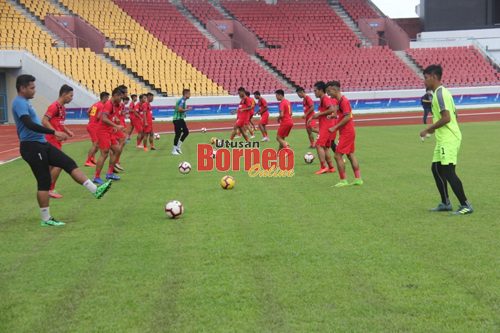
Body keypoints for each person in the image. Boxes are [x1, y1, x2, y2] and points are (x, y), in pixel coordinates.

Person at [12, 75, 112, 226]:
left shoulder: (25, 102)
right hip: (31, 146)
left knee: (68, 162)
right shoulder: (19, 102)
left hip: (41, 143)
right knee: (44, 180)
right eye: (32, 88)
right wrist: (54, 132)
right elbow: (29, 124)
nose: (34, 91)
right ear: (22, 88)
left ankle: (95, 190)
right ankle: (46, 219)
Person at [420, 64, 473, 215]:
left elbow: (447, 118)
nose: (424, 81)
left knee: (449, 172)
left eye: (425, 78)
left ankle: (465, 205)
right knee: (436, 169)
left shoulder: (439, 94)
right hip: (443, 138)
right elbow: (452, 116)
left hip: (449, 138)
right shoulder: (441, 93)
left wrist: (428, 129)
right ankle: (446, 203)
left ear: (433, 77)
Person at [41, 84, 75, 199]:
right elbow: (45, 121)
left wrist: (67, 131)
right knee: (59, 164)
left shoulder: (62, 108)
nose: (72, 98)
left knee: (51, 167)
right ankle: (50, 189)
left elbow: (59, 123)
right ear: (64, 94)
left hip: (57, 141)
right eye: (70, 96)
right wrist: (55, 132)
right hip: (51, 140)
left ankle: (46, 188)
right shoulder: (54, 106)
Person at [326, 81, 363, 187]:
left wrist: (335, 127)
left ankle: (343, 180)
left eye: (329, 91)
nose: (328, 94)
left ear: (335, 90)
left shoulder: (343, 101)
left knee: (337, 155)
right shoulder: (340, 101)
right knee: (351, 155)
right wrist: (333, 116)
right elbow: (343, 115)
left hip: (346, 132)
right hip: (348, 131)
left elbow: (347, 117)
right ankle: (358, 179)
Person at [93, 88, 124, 183]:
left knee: (117, 150)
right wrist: (116, 126)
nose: (121, 100)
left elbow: (108, 117)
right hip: (103, 131)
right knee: (104, 153)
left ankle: (109, 173)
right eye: (120, 98)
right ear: (116, 96)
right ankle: (96, 176)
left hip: (109, 131)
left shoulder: (113, 105)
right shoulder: (109, 104)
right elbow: (103, 118)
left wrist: (114, 124)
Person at [308, 81, 337, 174]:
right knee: (324, 147)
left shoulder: (325, 99)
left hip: (326, 126)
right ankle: (331, 167)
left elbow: (331, 109)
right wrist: (312, 117)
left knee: (318, 145)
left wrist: (319, 114)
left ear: (321, 90)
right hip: (327, 126)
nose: (314, 92)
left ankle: (323, 167)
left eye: (315, 90)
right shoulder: (322, 99)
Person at [85, 92, 109, 167]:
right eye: (107, 98)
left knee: (98, 143)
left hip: (91, 124)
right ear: (104, 98)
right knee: (96, 144)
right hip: (94, 126)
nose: (108, 100)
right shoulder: (102, 106)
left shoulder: (95, 104)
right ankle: (87, 161)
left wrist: (92, 118)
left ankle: (92, 158)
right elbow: (99, 117)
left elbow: (87, 112)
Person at [172, 89, 191, 155]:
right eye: (189, 94)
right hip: (177, 119)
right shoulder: (182, 100)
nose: (189, 95)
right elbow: (179, 109)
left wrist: (183, 114)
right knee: (178, 134)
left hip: (180, 119)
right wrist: (187, 110)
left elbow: (176, 107)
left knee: (186, 132)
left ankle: (178, 147)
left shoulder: (182, 100)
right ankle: (174, 150)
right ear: (185, 94)